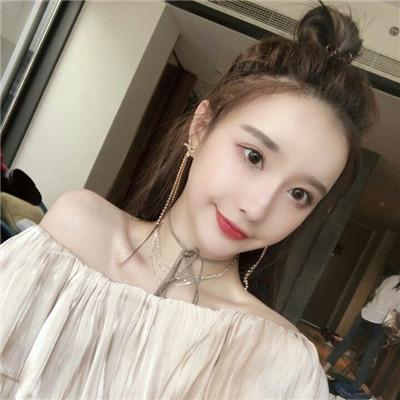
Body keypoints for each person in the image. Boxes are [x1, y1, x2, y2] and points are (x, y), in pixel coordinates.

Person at [0, 2, 377, 398]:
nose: (257, 208)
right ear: (201, 127)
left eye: (299, 194)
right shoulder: (78, 227)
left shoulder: (280, 360)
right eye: (254, 157)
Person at [323, 275, 400, 397]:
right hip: (381, 323)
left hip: (366, 313)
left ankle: (325, 368)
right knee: (369, 356)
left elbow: (376, 293)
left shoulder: (391, 278)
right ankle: (355, 387)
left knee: (346, 342)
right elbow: (397, 314)